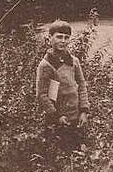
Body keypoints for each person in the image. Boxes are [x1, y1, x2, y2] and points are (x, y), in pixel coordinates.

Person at [35, 20, 90, 151]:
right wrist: (57, 116)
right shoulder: (46, 65)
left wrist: (84, 111)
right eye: (59, 37)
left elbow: (81, 85)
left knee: (79, 153)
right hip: (57, 120)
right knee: (59, 154)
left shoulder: (74, 61)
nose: (63, 41)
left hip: (76, 118)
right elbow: (42, 95)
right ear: (50, 38)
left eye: (66, 38)